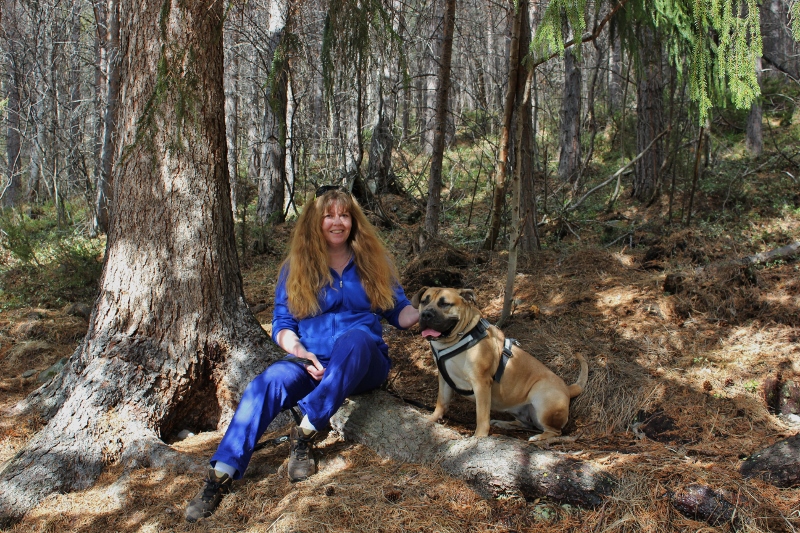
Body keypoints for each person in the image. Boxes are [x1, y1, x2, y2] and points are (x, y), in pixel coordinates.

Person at [186, 186, 419, 523]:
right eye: (329, 215)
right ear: (315, 221)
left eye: (344, 215)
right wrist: (301, 352)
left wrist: (427, 314)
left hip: (363, 362)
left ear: (354, 221)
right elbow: (282, 324)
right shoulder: (296, 267)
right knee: (267, 383)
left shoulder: (372, 262)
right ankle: (220, 474)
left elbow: (399, 311)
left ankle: (307, 429)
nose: (337, 222)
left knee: (356, 338)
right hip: (310, 361)